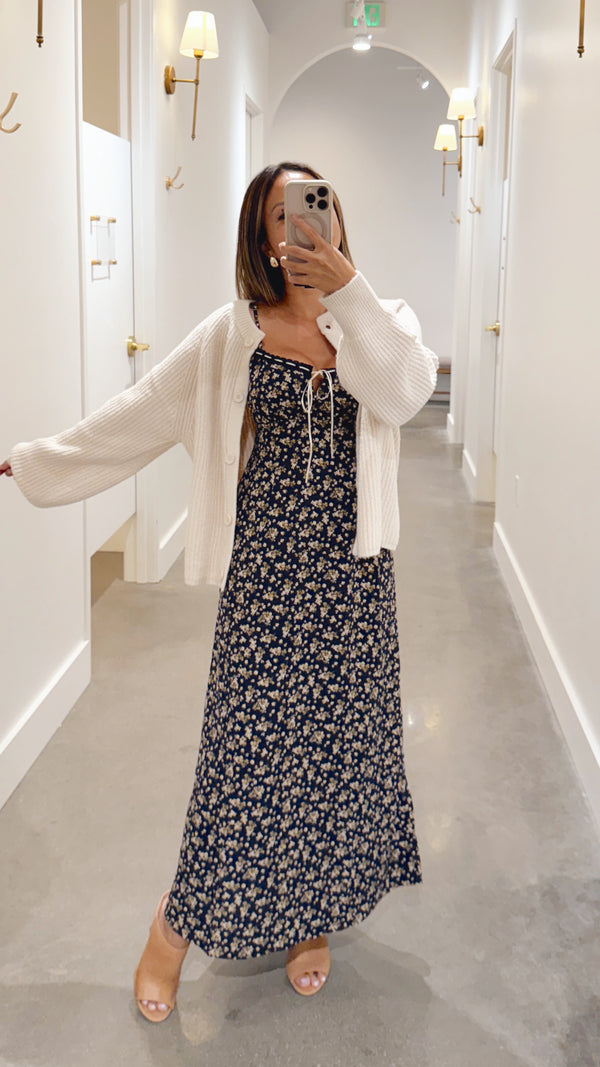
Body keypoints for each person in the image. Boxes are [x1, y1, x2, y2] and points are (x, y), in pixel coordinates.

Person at [1, 161, 439, 1020]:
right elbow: (139, 412)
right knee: (240, 765)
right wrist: (43, 462)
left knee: (341, 763)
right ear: (261, 234)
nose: (303, 225)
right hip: (267, 591)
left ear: (338, 222)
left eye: (317, 208)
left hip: (355, 588)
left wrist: (348, 294)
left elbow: (405, 391)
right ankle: (171, 931)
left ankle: (313, 921)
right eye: (283, 213)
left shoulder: (384, 322)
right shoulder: (229, 335)